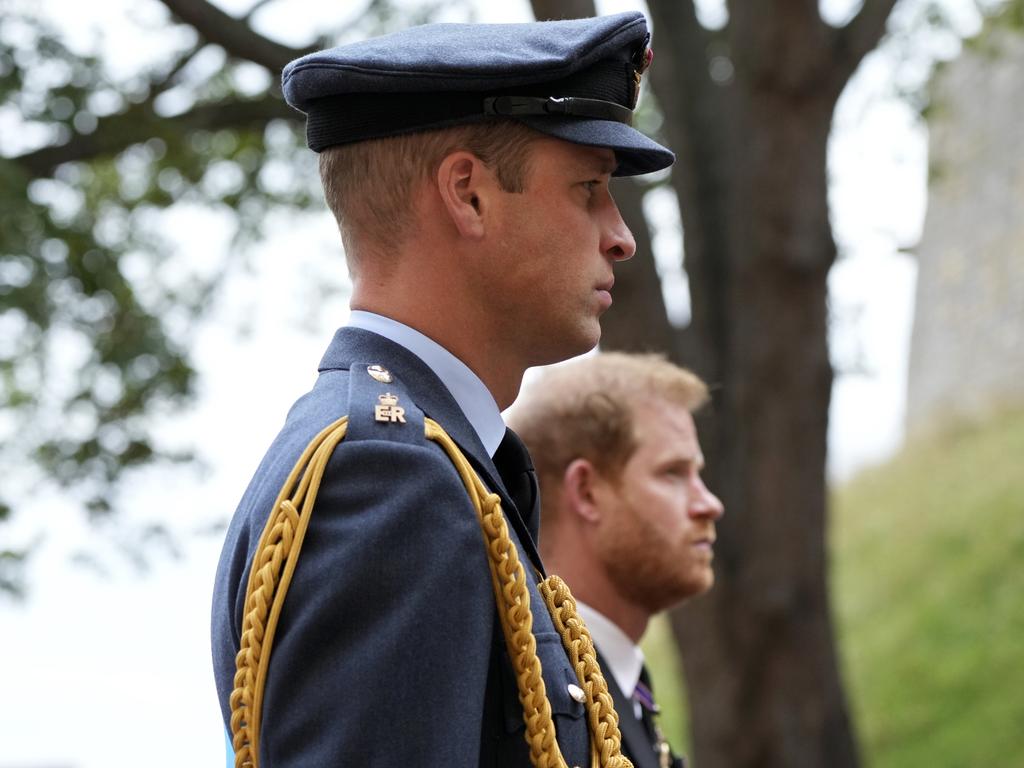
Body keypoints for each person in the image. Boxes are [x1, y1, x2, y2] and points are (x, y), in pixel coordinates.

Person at [211, 12, 675, 768]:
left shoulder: (440, 460)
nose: (619, 234)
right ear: (469, 195)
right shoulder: (388, 476)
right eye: (588, 187)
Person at [507, 352, 725, 768]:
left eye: (698, 474)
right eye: (673, 473)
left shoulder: (613, 681)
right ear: (587, 492)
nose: (709, 504)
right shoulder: (538, 706)